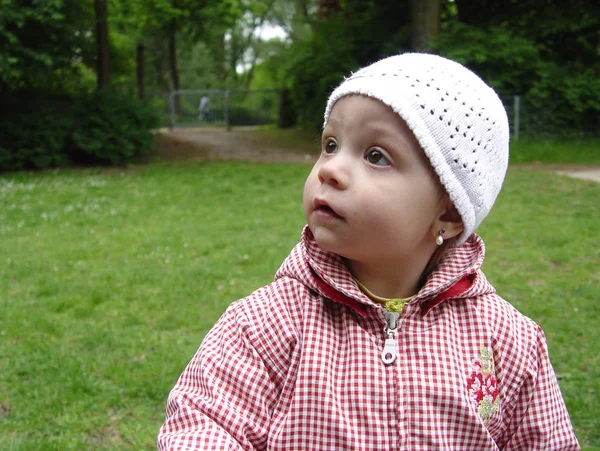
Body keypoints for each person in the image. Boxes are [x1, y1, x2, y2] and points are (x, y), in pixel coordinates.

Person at [158, 53, 580, 450]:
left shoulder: (508, 343)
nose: (331, 169)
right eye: (330, 145)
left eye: (376, 156)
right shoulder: (264, 326)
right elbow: (200, 424)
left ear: (448, 212)